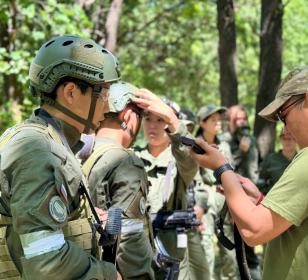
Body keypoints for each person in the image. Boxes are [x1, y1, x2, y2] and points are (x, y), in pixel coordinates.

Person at [190, 66, 308, 279]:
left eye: (283, 115)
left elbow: (254, 231)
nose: (286, 129)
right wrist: (262, 200)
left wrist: (222, 169)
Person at [0, 35, 122, 279]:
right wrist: (108, 275)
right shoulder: (37, 150)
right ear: (70, 92)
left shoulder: (49, 141)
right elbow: (45, 260)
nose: (107, 107)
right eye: (103, 93)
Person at [80, 82, 155, 279]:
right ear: (128, 115)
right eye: (141, 116)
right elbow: (129, 236)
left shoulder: (78, 152)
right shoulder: (126, 161)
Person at [134, 94, 198, 280]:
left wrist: (173, 121)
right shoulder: (131, 157)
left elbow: (190, 158)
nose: (152, 125)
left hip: (171, 254)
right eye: (147, 119)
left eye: (160, 120)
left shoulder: (179, 160)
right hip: (137, 251)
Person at [195, 104, 237, 280]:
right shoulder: (195, 145)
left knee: (230, 253)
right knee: (205, 251)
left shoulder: (224, 145)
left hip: (224, 200)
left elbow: (232, 173)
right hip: (203, 201)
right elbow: (191, 177)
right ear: (202, 123)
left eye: (219, 120)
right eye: (213, 120)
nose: (218, 123)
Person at [224, 104, 262, 280]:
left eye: (243, 119)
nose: (241, 122)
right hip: (233, 199)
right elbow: (225, 169)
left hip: (252, 198)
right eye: (236, 119)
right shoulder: (226, 141)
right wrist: (241, 151)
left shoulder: (251, 139)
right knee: (234, 254)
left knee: (251, 250)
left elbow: (255, 168)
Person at [179, 108, 210, 280]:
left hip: (190, 222)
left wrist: (200, 207)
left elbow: (200, 186)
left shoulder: (193, 155)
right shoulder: (169, 152)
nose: (187, 131)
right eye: (184, 127)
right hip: (170, 226)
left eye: (190, 127)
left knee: (202, 272)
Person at [257, 128, 297, 195]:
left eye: (290, 138)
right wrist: (266, 194)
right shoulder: (271, 159)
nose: (287, 141)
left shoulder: (301, 158)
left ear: (296, 140)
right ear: (280, 140)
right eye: (284, 138)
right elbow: (261, 180)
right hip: (275, 201)